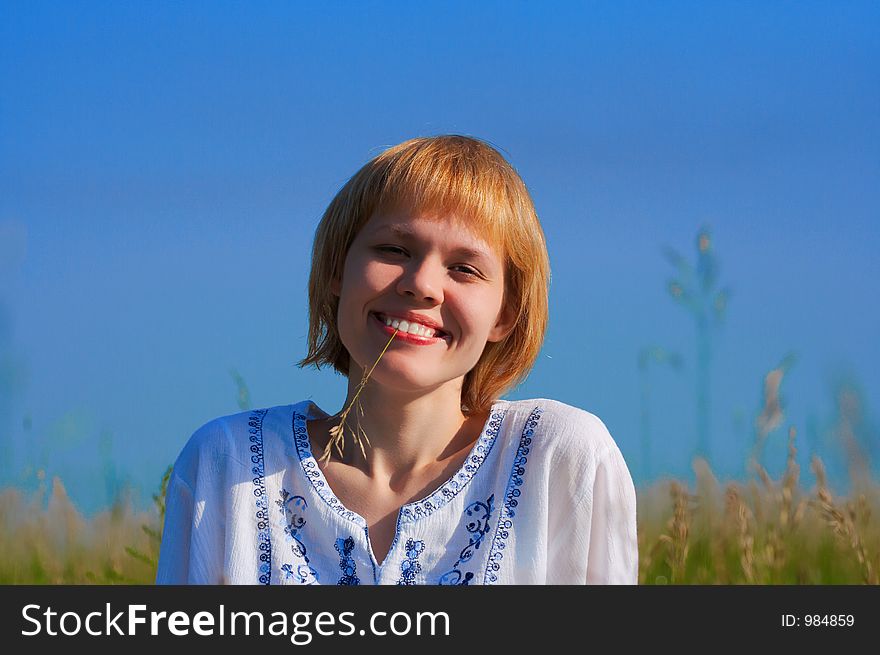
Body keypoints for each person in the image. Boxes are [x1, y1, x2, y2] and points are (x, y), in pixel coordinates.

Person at [156, 135, 638, 585]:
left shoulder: (559, 458)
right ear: (337, 272)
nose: (422, 284)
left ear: (505, 316)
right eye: (393, 249)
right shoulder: (225, 463)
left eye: (465, 269)